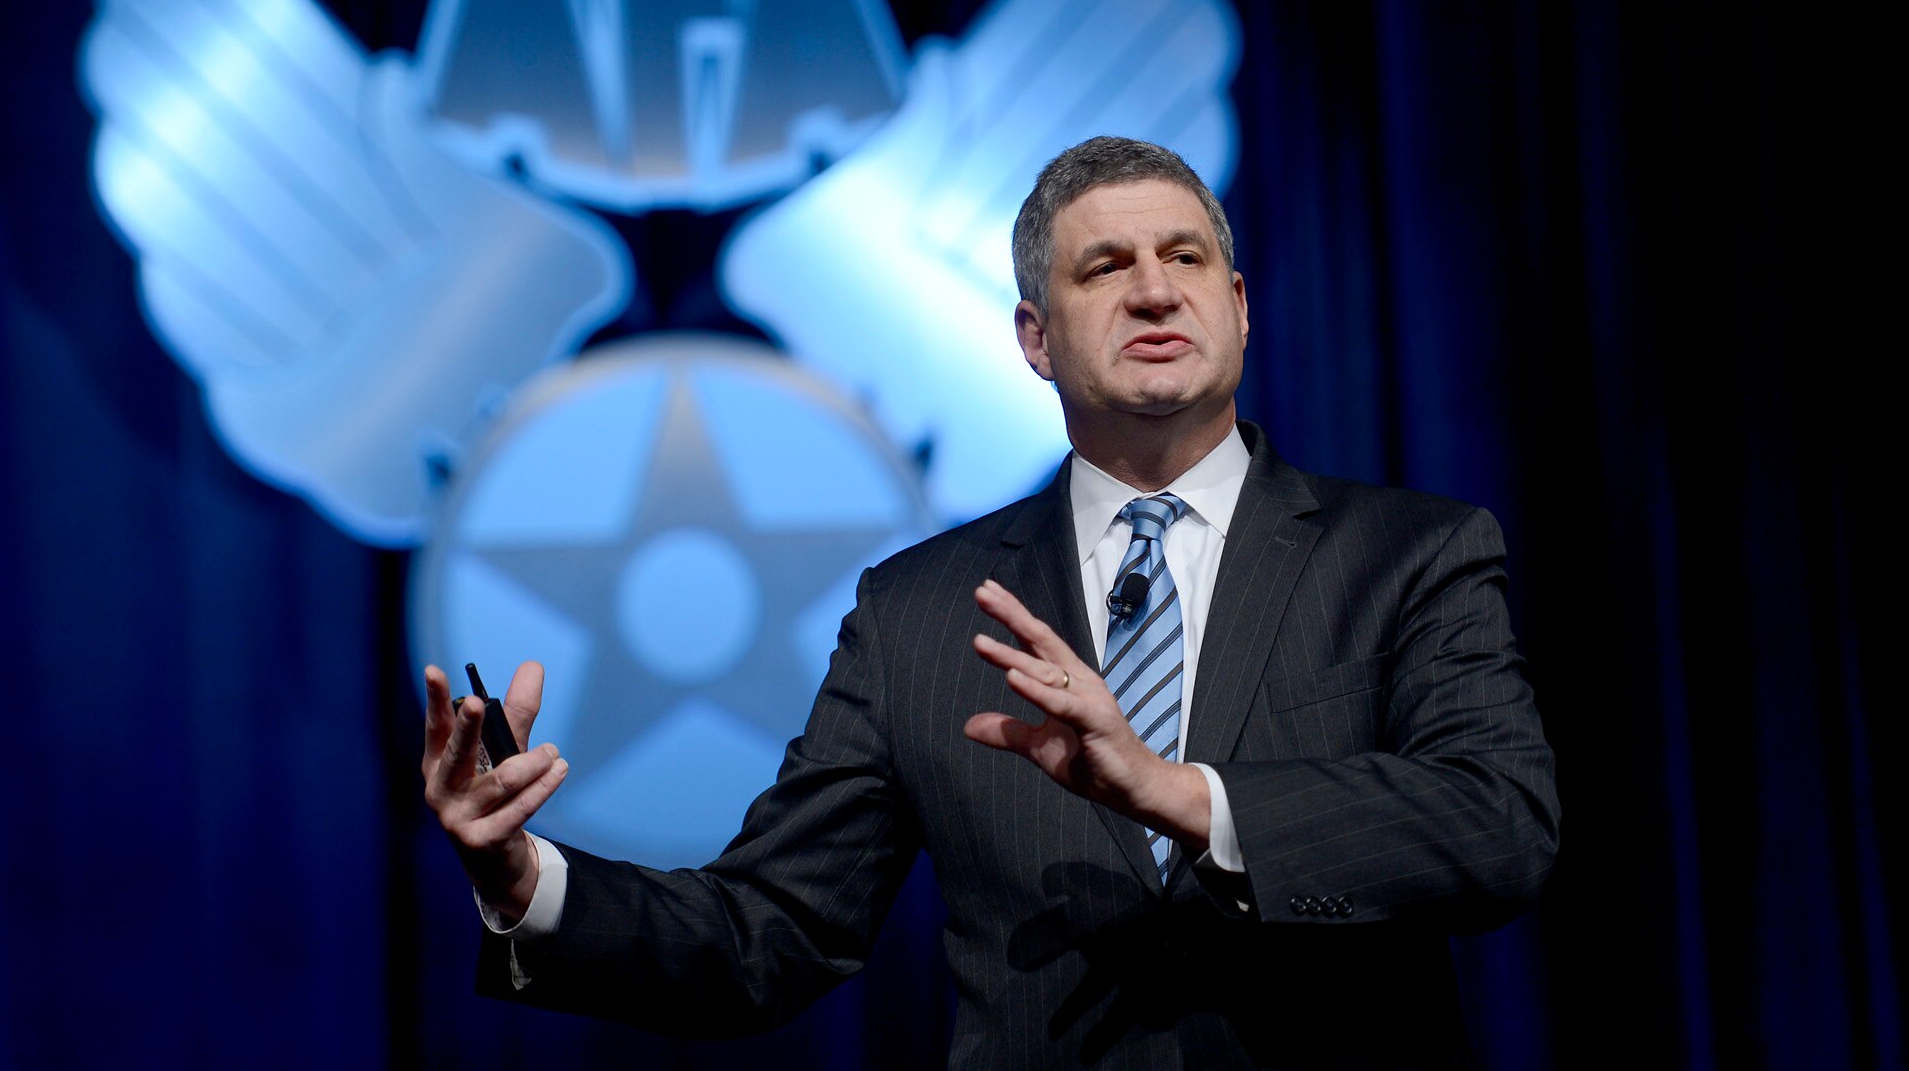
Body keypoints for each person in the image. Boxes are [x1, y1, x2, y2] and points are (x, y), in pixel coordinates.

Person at [422, 137, 1559, 1067]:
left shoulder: (1407, 554)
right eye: (1102, 267)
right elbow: (769, 931)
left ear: (1240, 305)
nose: (1154, 287)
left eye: (1184, 257)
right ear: (1032, 336)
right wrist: (525, 878)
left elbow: (1496, 827)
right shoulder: (917, 610)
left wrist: (1185, 796)